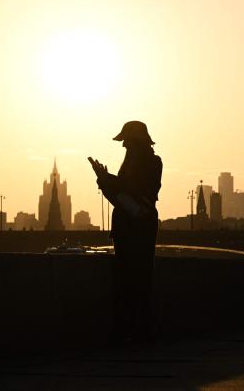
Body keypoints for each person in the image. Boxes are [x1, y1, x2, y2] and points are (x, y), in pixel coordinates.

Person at [89, 121, 163, 344]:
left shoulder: (149, 163)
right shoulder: (140, 163)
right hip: (132, 226)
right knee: (133, 278)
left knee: (135, 278)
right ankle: (135, 330)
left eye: (127, 143)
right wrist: (106, 180)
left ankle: (136, 330)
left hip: (137, 227)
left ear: (137, 142)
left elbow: (130, 192)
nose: (124, 147)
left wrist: (107, 181)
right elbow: (124, 190)